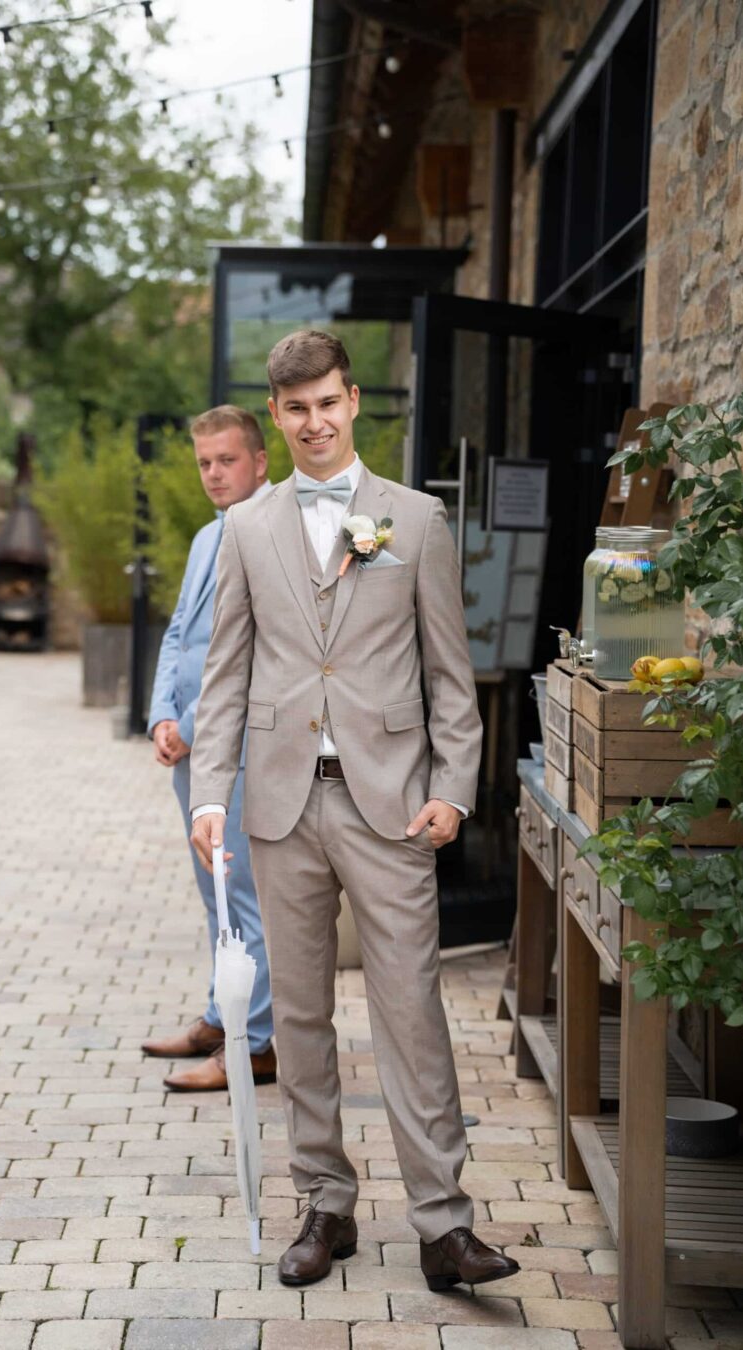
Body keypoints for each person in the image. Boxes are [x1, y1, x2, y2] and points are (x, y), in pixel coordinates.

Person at [188, 331, 520, 1291]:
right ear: (278, 415)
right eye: (294, 409)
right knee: (298, 1019)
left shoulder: (413, 520)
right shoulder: (247, 527)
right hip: (281, 810)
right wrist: (211, 793)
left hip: (391, 810)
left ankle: (443, 1226)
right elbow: (225, 677)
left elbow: (451, 676)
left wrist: (454, 786)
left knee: (411, 1012)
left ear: (353, 399)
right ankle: (324, 1205)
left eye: (327, 402)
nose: (313, 422)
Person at [142, 405, 276, 1092]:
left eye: (227, 460)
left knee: (245, 898)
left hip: (241, 749)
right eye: (204, 463)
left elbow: (246, 650)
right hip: (190, 750)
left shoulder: (270, 535)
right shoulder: (204, 538)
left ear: (260, 461)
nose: (215, 473)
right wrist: (161, 714)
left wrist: (193, 724)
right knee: (212, 894)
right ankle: (220, 1018)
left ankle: (254, 1046)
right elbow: (178, 635)